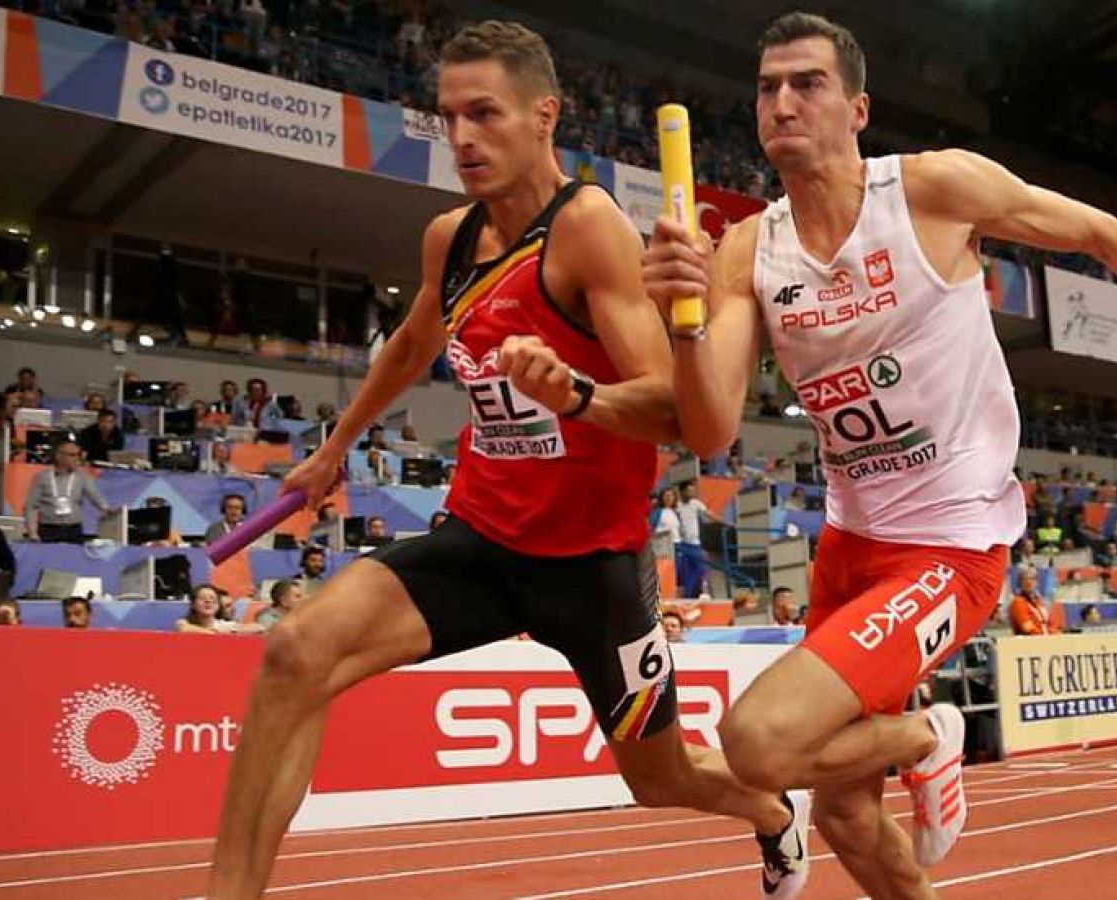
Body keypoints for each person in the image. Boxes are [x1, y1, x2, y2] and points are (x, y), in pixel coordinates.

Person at [641, 12, 1117, 895]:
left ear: (858, 108)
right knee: (846, 815)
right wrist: (683, 319)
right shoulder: (750, 249)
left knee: (757, 744)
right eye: (766, 87)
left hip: (950, 547)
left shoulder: (933, 191)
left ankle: (926, 737)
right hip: (848, 547)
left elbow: (1104, 234)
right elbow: (710, 431)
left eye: (807, 83)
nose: (781, 102)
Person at [204, 22, 807, 900]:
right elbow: (413, 343)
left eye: (484, 114)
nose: (462, 138)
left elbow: (675, 412)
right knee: (297, 651)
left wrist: (571, 390)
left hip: (594, 563)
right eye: (448, 117)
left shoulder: (588, 227)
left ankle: (773, 814)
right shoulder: (449, 239)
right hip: (483, 542)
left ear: (544, 116)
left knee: (660, 778)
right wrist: (334, 448)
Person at [23, 442, 116, 543]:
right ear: (59, 456)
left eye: (78, 455)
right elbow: (31, 506)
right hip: (49, 529)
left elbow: (94, 495)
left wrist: (106, 508)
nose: (76, 458)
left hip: (74, 529)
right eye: (72, 455)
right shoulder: (42, 477)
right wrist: (32, 532)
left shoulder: (82, 476)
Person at [1007, 570, 1057, 635]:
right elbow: (1027, 628)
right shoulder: (1018, 602)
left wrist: (1055, 634)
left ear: (1037, 582)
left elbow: (1051, 624)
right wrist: (1046, 635)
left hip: (1046, 640)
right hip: (1030, 642)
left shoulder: (1039, 602)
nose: (1028, 582)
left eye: (1032, 579)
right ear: (1020, 583)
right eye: (1025, 579)